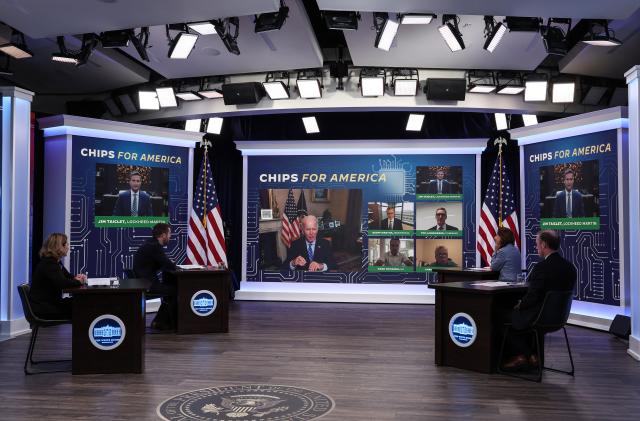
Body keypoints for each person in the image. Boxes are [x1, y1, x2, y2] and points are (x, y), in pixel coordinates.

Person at [502, 230, 577, 371]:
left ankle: (525, 355)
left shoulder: (541, 268)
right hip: (559, 319)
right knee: (518, 315)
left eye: (537, 244)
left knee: (500, 316)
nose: (536, 247)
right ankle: (531, 356)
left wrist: (520, 304)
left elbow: (532, 296)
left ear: (543, 244)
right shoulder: (570, 268)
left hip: (539, 317)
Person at [29, 233, 87, 319]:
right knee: (82, 305)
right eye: (66, 244)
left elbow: (68, 277)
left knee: (81, 302)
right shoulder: (49, 263)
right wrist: (78, 281)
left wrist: (77, 278)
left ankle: (82, 332)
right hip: (45, 308)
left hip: (51, 304)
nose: (68, 246)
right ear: (59, 247)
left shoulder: (55, 262)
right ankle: (82, 332)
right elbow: (63, 283)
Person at [133, 223, 177, 330]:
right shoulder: (155, 247)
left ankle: (159, 322)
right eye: (169, 234)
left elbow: (161, 263)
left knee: (170, 289)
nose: (170, 236)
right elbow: (169, 265)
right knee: (175, 291)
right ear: (163, 235)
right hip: (148, 284)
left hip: (144, 282)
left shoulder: (150, 243)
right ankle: (168, 324)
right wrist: (173, 265)